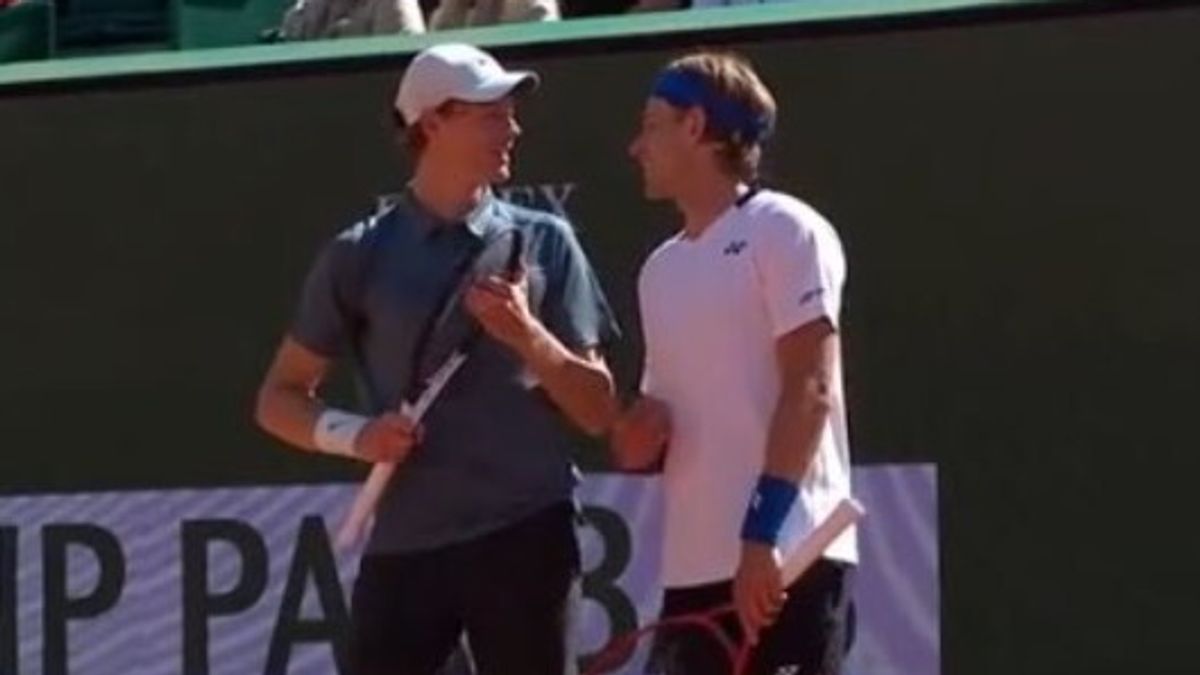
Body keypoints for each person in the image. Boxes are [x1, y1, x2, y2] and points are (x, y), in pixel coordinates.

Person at [254, 42, 620, 675]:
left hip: (529, 530)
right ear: (432, 124)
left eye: (511, 113)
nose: (513, 129)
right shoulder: (358, 255)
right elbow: (278, 400)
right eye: (491, 114)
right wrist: (357, 436)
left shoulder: (547, 241)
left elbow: (598, 410)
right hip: (407, 544)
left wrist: (527, 335)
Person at [612, 50, 857, 675]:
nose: (636, 147)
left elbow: (811, 387)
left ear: (695, 126)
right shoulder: (660, 269)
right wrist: (639, 436)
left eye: (652, 126)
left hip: (786, 558)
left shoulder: (787, 229)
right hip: (693, 573)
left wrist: (761, 533)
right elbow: (663, 418)